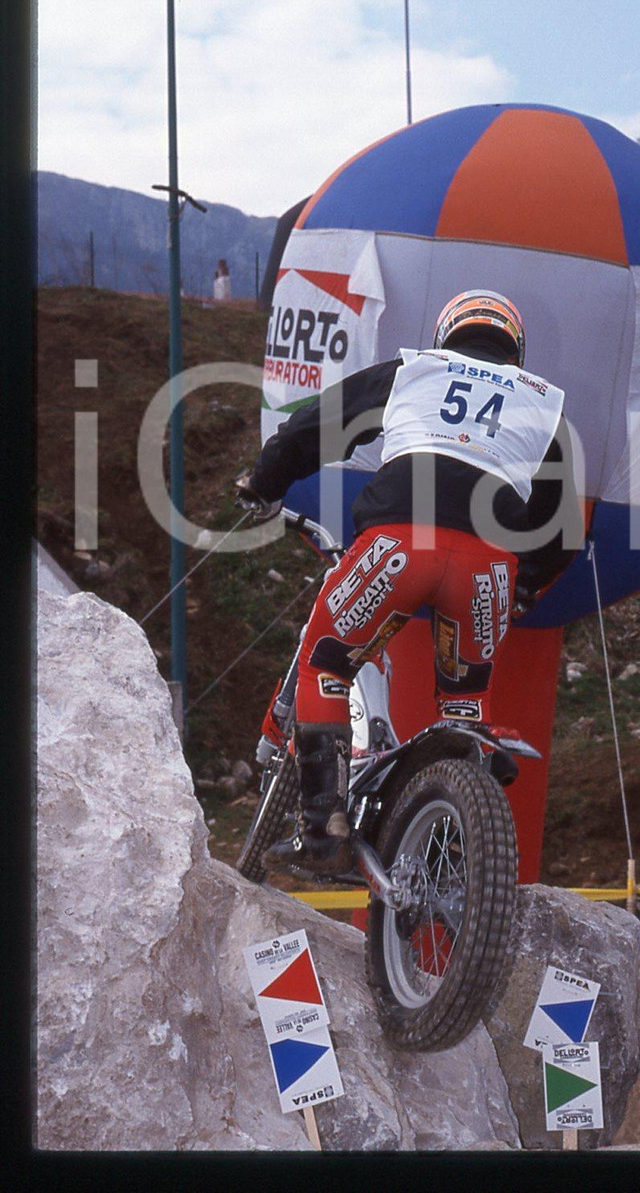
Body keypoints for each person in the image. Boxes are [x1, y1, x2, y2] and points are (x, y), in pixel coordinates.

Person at [236, 289, 582, 880]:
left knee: (326, 666)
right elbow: (561, 531)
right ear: (515, 348)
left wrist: (264, 483)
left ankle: (324, 830)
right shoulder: (544, 407)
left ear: (449, 332)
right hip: (488, 569)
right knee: (464, 709)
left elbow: (316, 427)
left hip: (398, 548)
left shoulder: (417, 370)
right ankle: (450, 843)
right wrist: (526, 587)